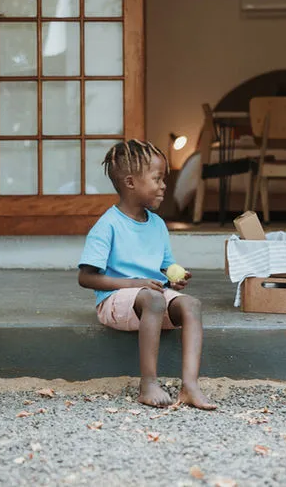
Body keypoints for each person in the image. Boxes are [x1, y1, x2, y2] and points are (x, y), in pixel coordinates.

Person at [78, 140, 216, 410]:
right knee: (153, 298)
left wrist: (173, 279)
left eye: (164, 178)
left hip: (151, 297)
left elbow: (164, 267)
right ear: (131, 182)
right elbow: (86, 278)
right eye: (157, 178)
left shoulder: (157, 224)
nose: (164, 185)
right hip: (114, 300)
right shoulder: (107, 225)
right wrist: (136, 284)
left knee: (191, 305)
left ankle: (190, 385)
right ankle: (148, 383)